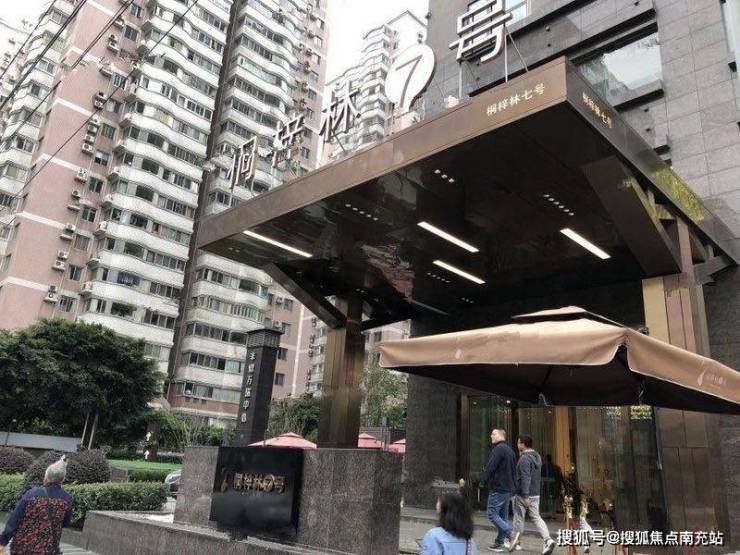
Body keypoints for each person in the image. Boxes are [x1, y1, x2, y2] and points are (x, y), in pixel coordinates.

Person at [0, 457, 73, 555]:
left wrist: (3, 541)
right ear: (62, 480)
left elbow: (14, 520)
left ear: (46, 477)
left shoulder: (31, 494)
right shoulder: (67, 499)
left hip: (23, 547)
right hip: (48, 549)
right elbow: (65, 522)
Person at [512, 435, 555, 555]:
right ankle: (548, 540)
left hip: (523, 494)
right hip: (535, 494)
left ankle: (516, 542)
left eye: (518, 443)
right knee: (536, 517)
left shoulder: (524, 459)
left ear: (522, 444)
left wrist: (525, 496)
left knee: (519, 518)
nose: (517, 445)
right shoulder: (537, 457)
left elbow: (525, 478)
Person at [480, 428, 517, 552]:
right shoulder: (510, 450)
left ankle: (510, 533)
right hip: (507, 488)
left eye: (494, 434)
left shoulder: (498, 449)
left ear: (501, 435)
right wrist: (513, 488)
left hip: (498, 487)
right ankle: (499, 542)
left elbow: (491, 467)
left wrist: (483, 480)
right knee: (502, 516)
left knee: (491, 513)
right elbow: (513, 471)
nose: (491, 436)